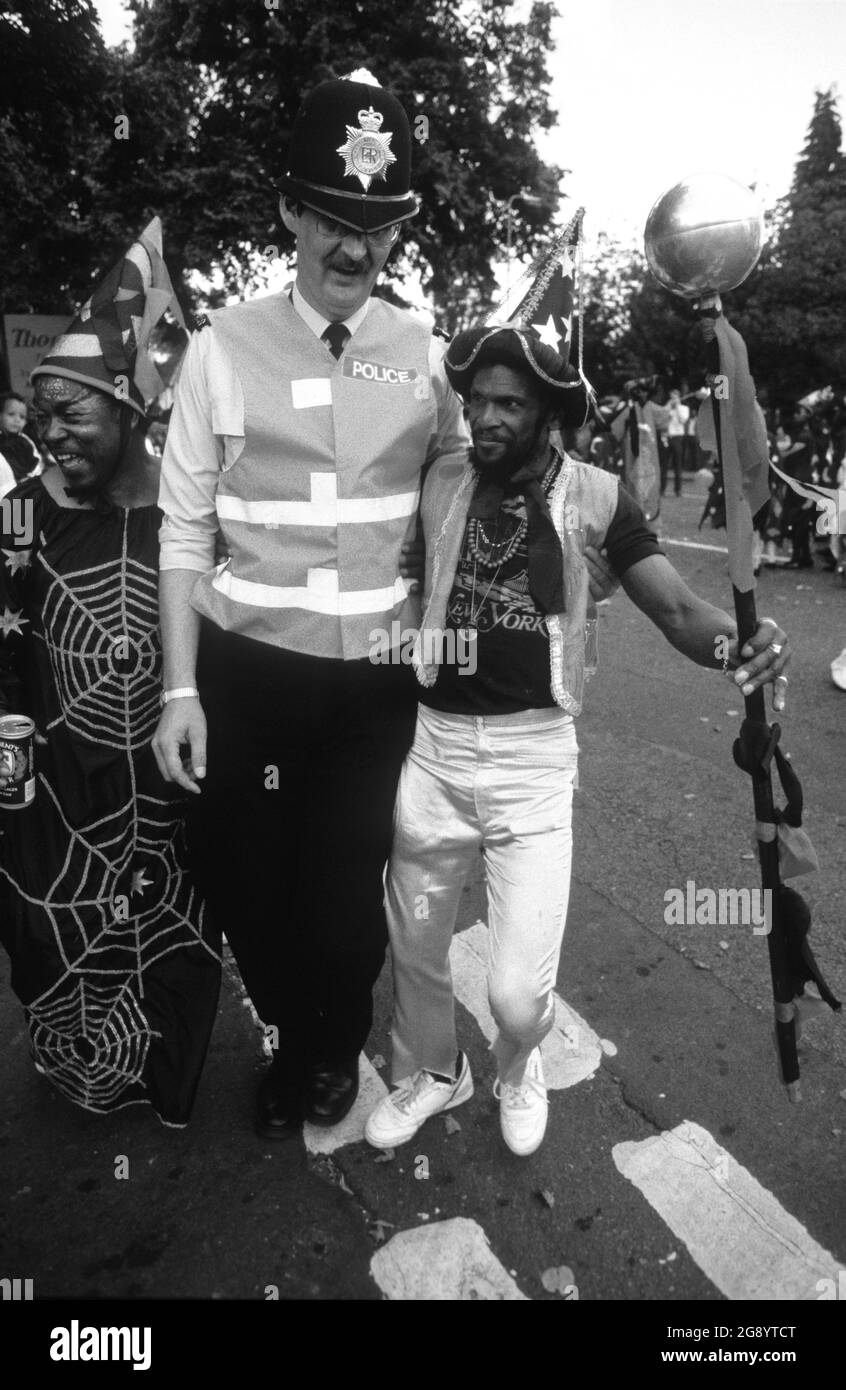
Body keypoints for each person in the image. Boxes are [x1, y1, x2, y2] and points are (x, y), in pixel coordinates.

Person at [364, 324, 790, 1158]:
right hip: (435, 753)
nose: (484, 416)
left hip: (533, 765)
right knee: (414, 947)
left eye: (507, 403)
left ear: (550, 412)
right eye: (477, 399)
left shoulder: (597, 496)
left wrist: (737, 646)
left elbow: (675, 609)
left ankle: (518, 1067)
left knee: (519, 995)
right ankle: (437, 1071)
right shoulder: (440, 478)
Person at [151, 77, 472, 1141]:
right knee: (247, 887)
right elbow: (185, 532)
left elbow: (478, 505)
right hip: (247, 678)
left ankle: (329, 1043)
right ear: (290, 211)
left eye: (377, 224)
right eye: (334, 217)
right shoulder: (219, 350)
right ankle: (295, 1022)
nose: (354, 246)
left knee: (342, 913)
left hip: (372, 687)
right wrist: (181, 688)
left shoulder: (429, 358)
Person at [0, 220, 221, 1125]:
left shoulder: (188, 509)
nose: (49, 434)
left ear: (129, 411)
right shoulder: (17, 516)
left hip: (165, 775)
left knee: (170, 940)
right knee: (51, 938)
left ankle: (163, 1084)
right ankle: (75, 1066)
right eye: (39, 413)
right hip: (56, 781)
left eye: (72, 414)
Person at [0, 390, 41, 497]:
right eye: (11, 414)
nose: (17, 420)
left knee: (22, 513)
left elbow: (36, 463)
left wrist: (30, 478)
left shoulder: (24, 441)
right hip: (5, 490)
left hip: (24, 490)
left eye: (22, 417)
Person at [664, 387, 690, 497]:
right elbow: (661, 418)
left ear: (678, 398)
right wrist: (668, 406)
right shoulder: (667, 408)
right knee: (664, 465)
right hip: (666, 438)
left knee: (677, 465)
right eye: (671, 397)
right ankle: (661, 489)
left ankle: (678, 490)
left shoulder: (684, 408)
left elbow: (683, 419)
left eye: (674, 397)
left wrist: (678, 406)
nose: (672, 399)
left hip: (677, 438)